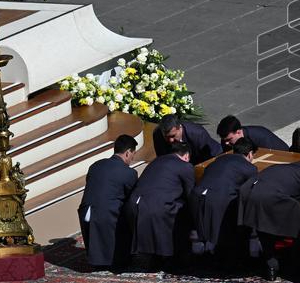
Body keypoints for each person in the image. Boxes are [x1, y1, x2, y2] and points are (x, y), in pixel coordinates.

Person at [239, 154, 300, 280]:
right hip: (271, 197)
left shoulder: (279, 167)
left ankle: (271, 267)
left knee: (264, 229)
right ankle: (296, 267)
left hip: (248, 193)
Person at [126, 140, 195, 268]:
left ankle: (154, 255)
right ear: (186, 156)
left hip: (132, 205)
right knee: (183, 212)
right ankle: (174, 255)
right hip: (156, 206)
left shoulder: (155, 161)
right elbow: (191, 195)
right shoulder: (185, 166)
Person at [189, 137, 259, 260]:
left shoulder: (219, 159)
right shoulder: (250, 169)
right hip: (219, 198)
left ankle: (202, 257)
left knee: (202, 229)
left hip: (197, 194)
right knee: (225, 230)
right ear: (250, 154)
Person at [78, 134, 139, 270]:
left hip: (86, 211)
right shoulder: (129, 173)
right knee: (128, 212)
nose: (132, 158)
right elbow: (132, 197)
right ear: (128, 152)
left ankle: (97, 259)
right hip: (105, 214)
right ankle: (119, 258)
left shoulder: (95, 165)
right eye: (133, 154)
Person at [154, 114, 222, 164]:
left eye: (173, 136)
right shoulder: (158, 135)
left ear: (180, 128)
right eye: (166, 137)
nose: (170, 140)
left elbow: (209, 157)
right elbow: (162, 158)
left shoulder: (197, 134)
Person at [216, 114, 288, 152]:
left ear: (238, 132)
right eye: (224, 140)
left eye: (229, 139)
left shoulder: (259, 136)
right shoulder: (226, 141)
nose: (226, 143)